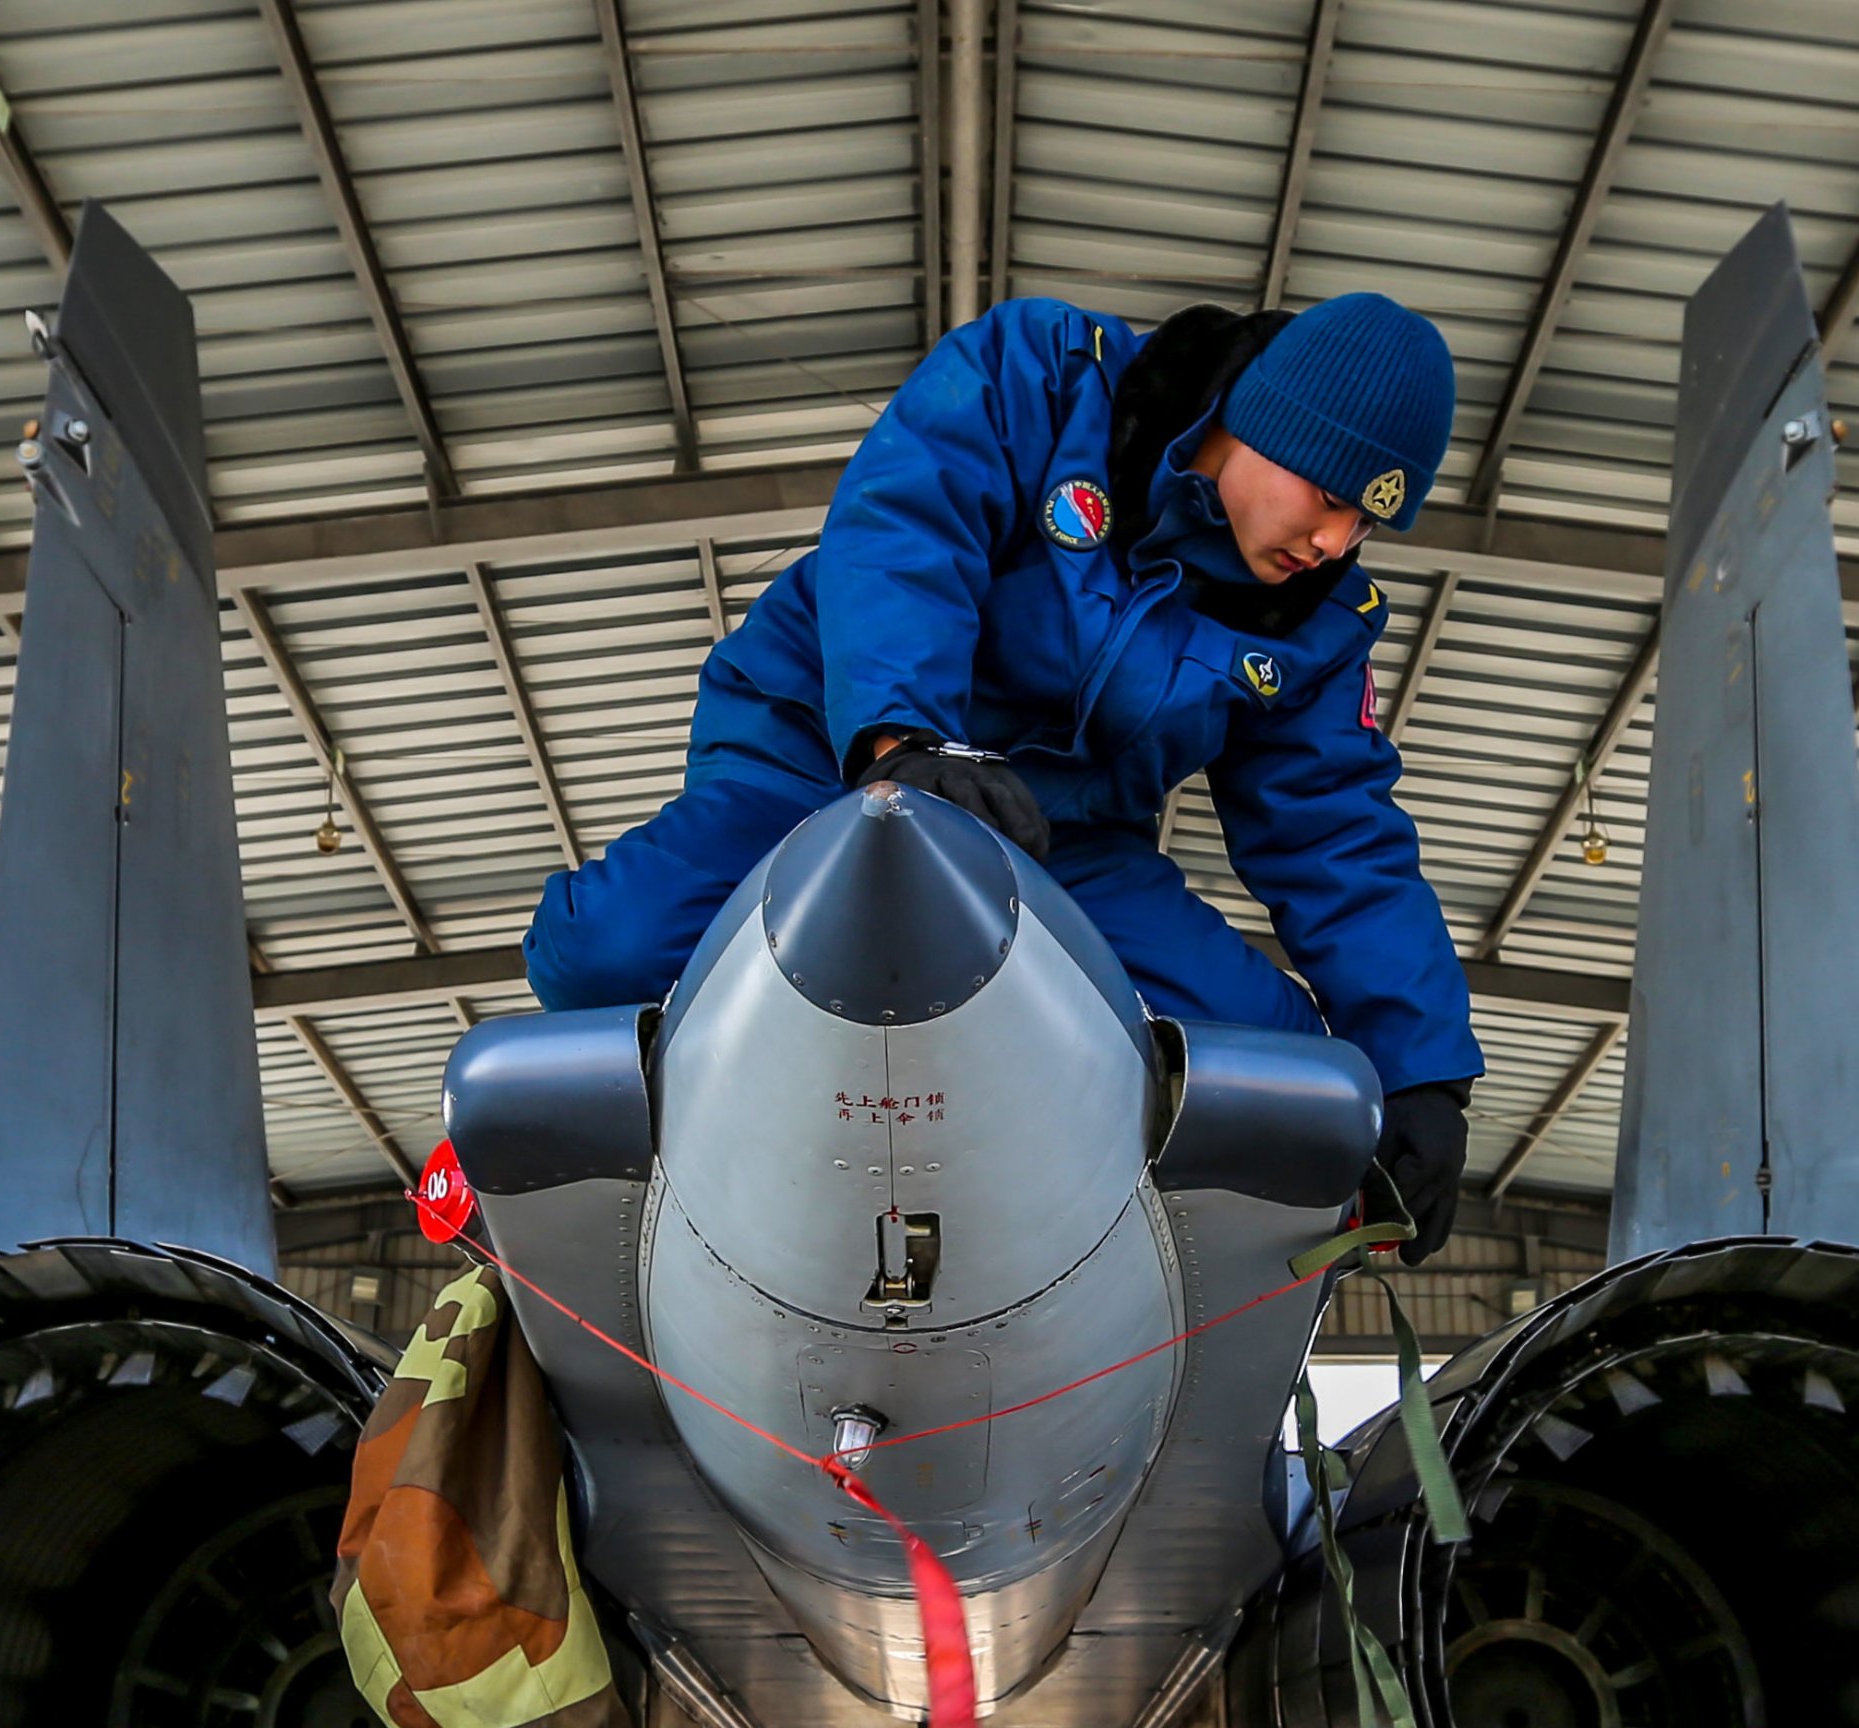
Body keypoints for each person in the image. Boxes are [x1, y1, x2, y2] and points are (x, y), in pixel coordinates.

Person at [522, 289, 1486, 1260]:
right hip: (823, 760)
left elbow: (1331, 832)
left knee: (1290, 1082)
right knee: (604, 949)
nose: (1333, 543)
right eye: (1329, 498)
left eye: (1364, 526)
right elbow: (907, 534)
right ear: (1258, 421)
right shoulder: (1045, 380)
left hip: (1056, 839)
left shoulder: (1312, 621)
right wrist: (906, 739)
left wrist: (1418, 1074)